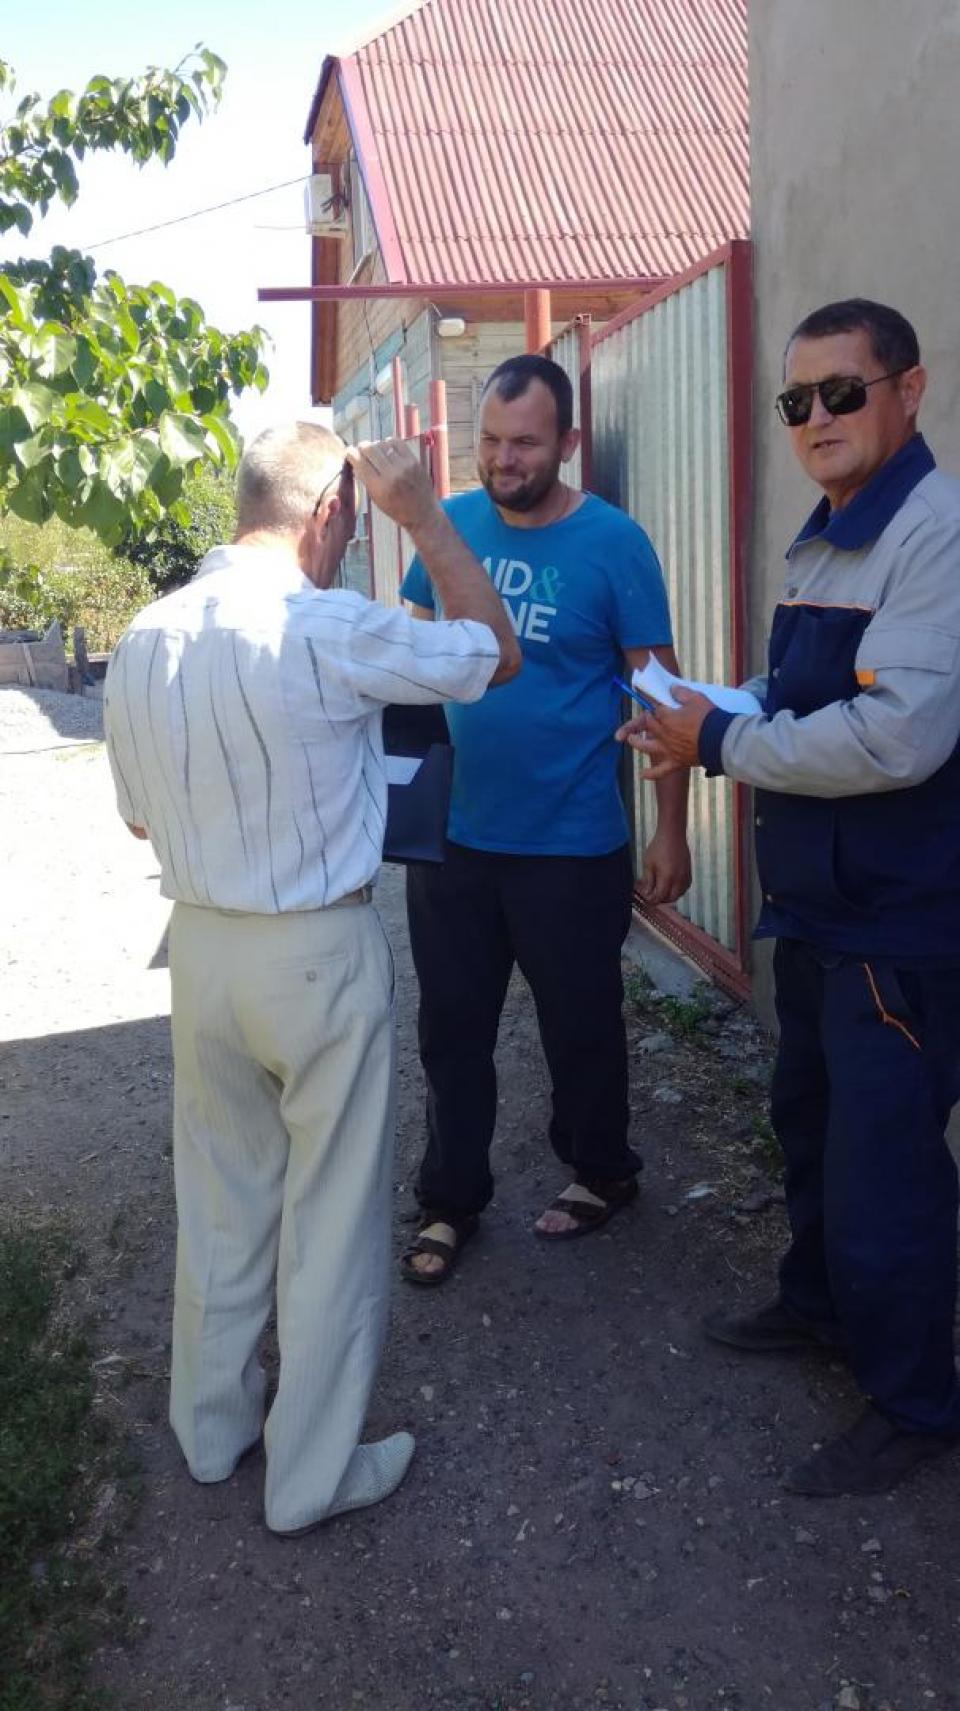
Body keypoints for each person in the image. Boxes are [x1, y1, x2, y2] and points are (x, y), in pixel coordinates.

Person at [103, 424, 520, 1535]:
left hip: (201, 946)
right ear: (333, 508)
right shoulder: (324, 621)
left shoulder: (145, 633)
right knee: (330, 1216)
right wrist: (425, 518)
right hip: (314, 947)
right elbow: (495, 653)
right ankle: (310, 1477)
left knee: (222, 1198)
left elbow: (138, 818)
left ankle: (211, 1430)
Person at [620, 298, 960, 1496]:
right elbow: (798, 690)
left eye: (842, 392)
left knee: (885, 1174)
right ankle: (817, 1305)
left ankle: (917, 1404)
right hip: (819, 911)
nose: (817, 417)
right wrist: (705, 709)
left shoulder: (933, 534)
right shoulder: (828, 533)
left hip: (899, 922)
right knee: (809, 1127)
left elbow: (896, 736)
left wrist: (718, 741)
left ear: (908, 391)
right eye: (796, 399)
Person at [398, 353, 691, 1285]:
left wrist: (671, 827)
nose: (502, 459)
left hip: (571, 843)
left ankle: (601, 1171)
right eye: (489, 440)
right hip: (454, 839)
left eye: (524, 443)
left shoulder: (614, 543)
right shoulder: (448, 527)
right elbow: (405, 661)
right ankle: (450, 1199)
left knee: (582, 1024)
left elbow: (662, 694)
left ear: (567, 442)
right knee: (451, 1030)